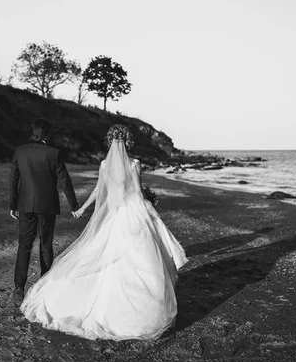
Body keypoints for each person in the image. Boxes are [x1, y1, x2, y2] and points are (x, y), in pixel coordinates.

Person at [20, 124, 188, 341]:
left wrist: (82, 208)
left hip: (113, 215)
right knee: (139, 258)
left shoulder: (104, 164)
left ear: (110, 141)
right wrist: (149, 205)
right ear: (127, 141)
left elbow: (100, 190)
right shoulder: (135, 163)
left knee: (105, 252)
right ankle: (135, 310)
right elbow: (137, 192)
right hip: (132, 212)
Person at [9, 118, 80, 304]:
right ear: (46, 134)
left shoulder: (20, 151)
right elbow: (65, 180)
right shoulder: (53, 153)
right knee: (45, 245)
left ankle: (19, 288)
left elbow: (14, 179)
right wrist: (74, 205)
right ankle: (44, 286)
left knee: (24, 245)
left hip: (24, 206)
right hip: (47, 206)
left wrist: (12, 204)